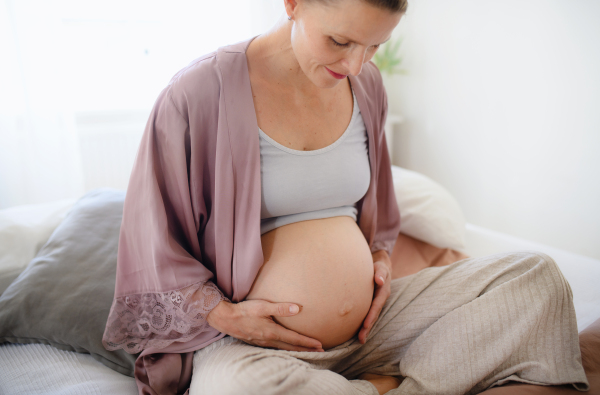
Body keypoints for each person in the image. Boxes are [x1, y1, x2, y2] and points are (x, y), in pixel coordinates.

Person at [102, 0, 590, 394]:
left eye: (375, 45)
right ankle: (393, 385)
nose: (355, 63)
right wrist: (227, 316)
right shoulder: (197, 93)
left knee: (536, 278)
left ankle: (384, 387)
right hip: (259, 346)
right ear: (292, 4)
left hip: (371, 331)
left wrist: (378, 258)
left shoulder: (367, 85)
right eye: (339, 41)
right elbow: (154, 241)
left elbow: (377, 215)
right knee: (235, 387)